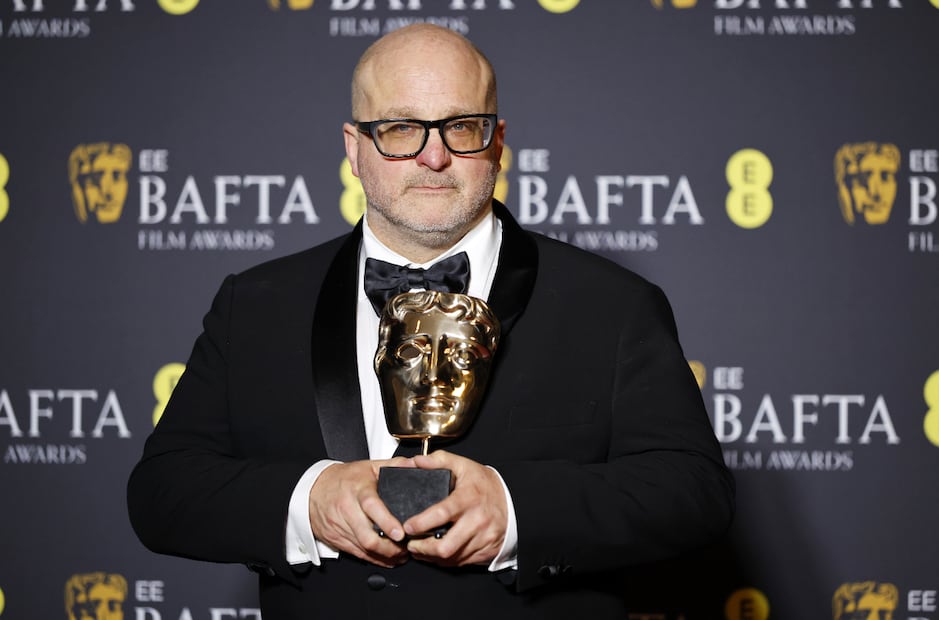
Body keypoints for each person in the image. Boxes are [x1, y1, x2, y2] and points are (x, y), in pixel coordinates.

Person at [127, 24, 734, 619]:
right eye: (399, 128)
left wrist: (517, 509)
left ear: (497, 140)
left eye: (462, 127)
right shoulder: (255, 303)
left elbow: (693, 493)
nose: (434, 155)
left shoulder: (614, 303)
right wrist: (309, 502)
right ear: (354, 147)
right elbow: (163, 493)